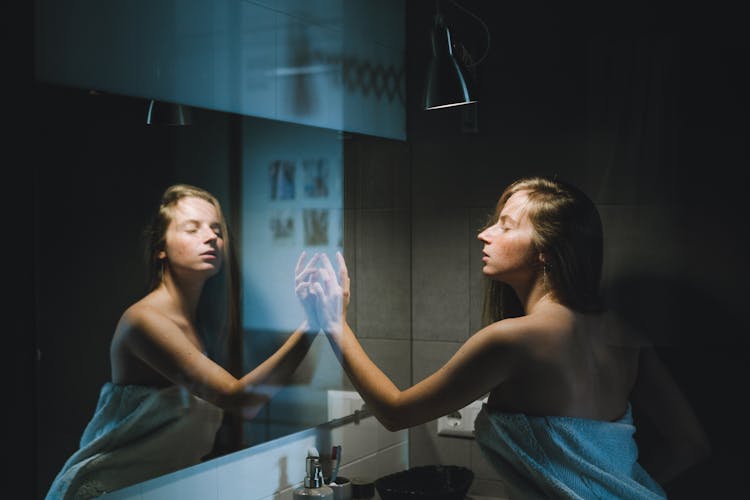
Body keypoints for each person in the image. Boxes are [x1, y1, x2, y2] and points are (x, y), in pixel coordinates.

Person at [295, 176, 710, 499]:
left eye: (505, 226)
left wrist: (335, 323)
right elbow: (690, 444)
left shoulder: (511, 341)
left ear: (547, 250)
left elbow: (395, 413)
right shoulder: (626, 334)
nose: (485, 234)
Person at [46, 184, 321, 499]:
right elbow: (238, 397)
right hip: (106, 489)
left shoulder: (200, 324)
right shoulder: (144, 322)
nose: (211, 237)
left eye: (217, 229)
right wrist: (313, 323)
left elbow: (249, 407)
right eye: (193, 228)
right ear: (160, 247)